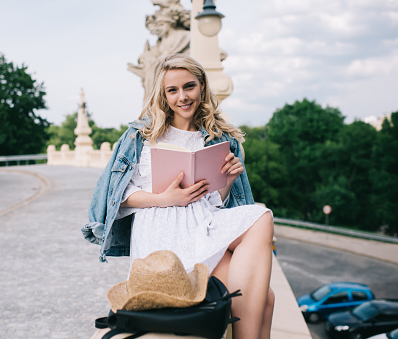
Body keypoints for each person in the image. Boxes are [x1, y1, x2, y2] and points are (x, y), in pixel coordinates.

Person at [82, 54, 275, 339]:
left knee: (262, 220)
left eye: (189, 87)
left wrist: (227, 181)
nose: (182, 97)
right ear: (163, 95)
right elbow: (116, 197)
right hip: (160, 227)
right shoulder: (142, 135)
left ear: (202, 87)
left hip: (203, 222)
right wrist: (166, 198)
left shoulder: (217, 137)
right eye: (172, 90)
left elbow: (213, 202)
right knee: (260, 296)